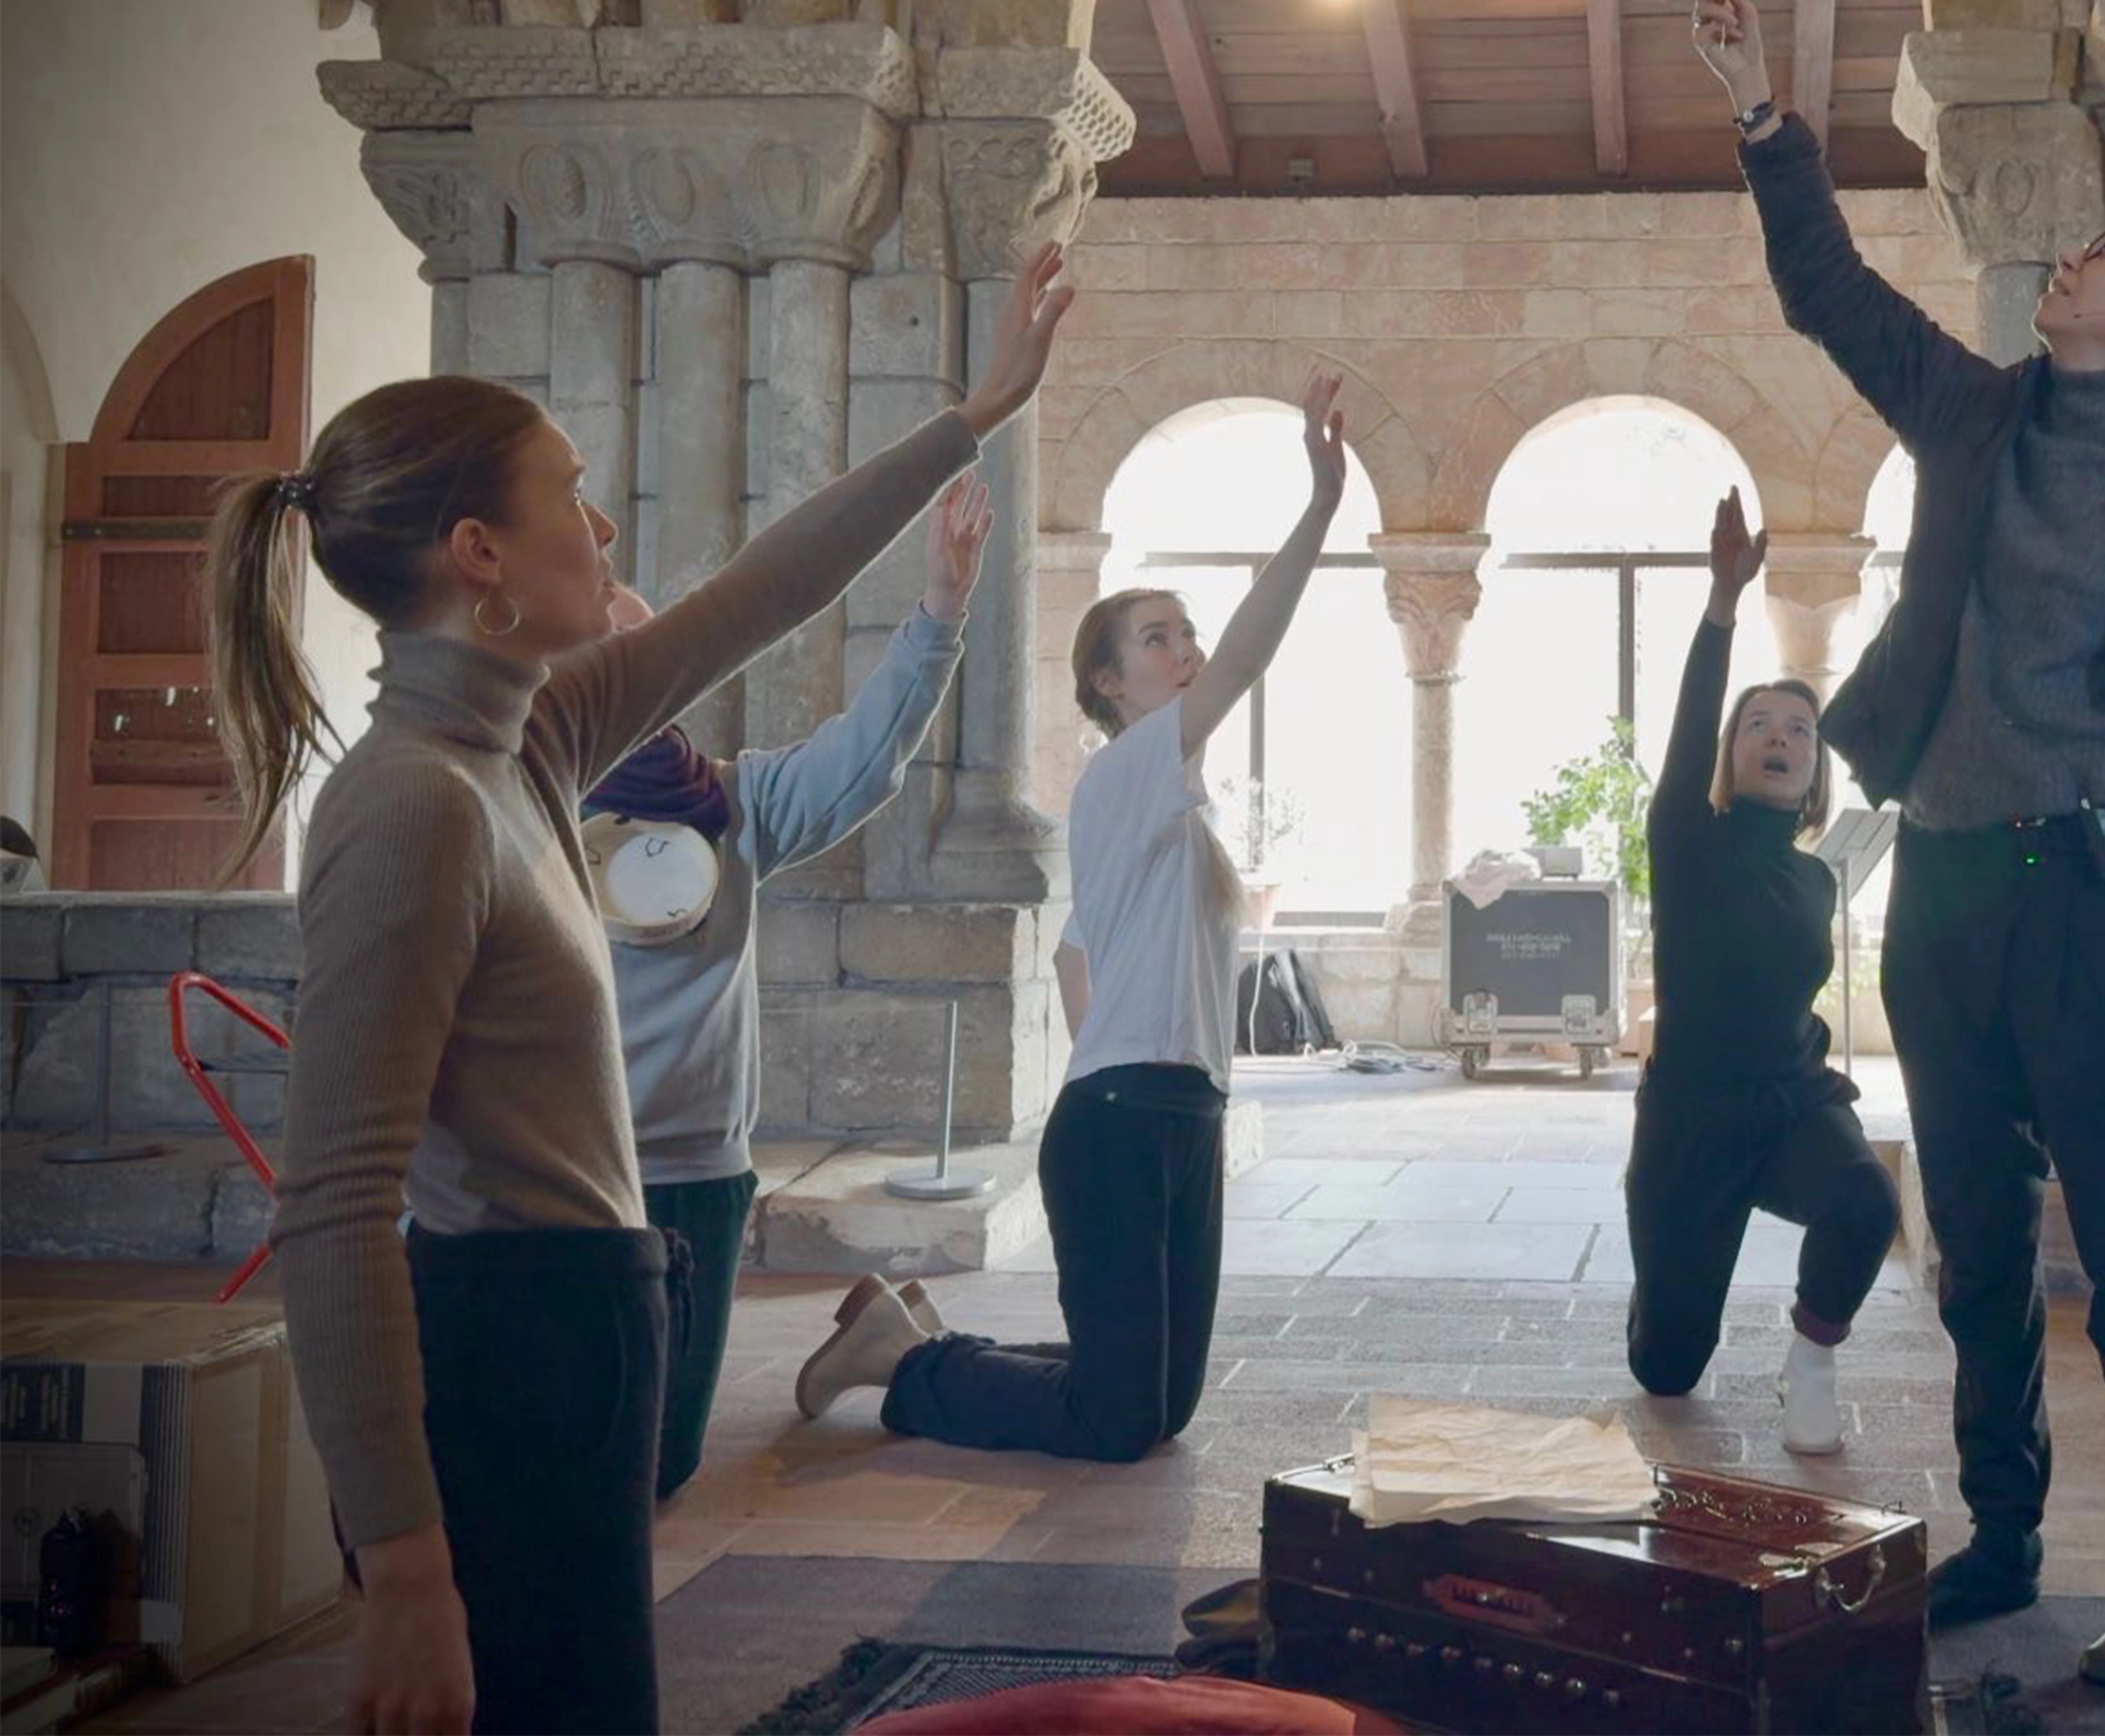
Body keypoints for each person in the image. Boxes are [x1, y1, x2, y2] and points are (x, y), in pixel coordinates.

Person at [198, 238, 1076, 1736]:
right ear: (480, 550)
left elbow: (759, 591)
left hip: (589, 1314)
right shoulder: (411, 798)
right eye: (569, 492)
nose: (601, 524)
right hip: (508, 1343)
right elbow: (336, 1201)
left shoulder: (526, 741)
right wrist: (407, 1566)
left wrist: (975, 414)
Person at [1691, 0, 2105, 1697]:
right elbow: (1827, 290)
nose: (2075, 261)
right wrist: (1761, 115)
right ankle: (2005, 1537)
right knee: (1970, 1237)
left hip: (2091, 900)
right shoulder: (1975, 410)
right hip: (1943, 878)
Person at [793, 371, 1352, 1463]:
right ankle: (906, 1367)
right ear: (1105, 683)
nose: (1184, 649)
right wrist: (1322, 505)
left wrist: (1114, 1058)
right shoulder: (1131, 770)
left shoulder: (1167, 820)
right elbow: (1248, 660)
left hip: (1171, 1116)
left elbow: (1071, 954)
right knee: (1115, 1424)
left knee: (1159, 1408)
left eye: (1183, 631)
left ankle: (910, 1330)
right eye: (1156, 639)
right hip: (1125, 1125)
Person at [581, 467, 993, 1505]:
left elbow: (865, 759)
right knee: (576, 1452)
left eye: (652, 654)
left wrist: (940, 609)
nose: (645, 672)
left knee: (661, 1461)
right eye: (615, 652)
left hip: (693, 1167)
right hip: (556, 1168)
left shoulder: (730, 798)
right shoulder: (512, 798)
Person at [1625, 484, 1904, 1458]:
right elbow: (1690, 718)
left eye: (1797, 727)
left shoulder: (1812, 876)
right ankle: (1669, 1290)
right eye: (1758, 726)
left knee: (1868, 1200)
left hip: (1789, 1104)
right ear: (1729, 754)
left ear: (1816, 767)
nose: (1779, 736)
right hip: (1689, 1119)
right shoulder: (1686, 840)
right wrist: (1721, 602)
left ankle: (1811, 1356)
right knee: (1664, 1368)